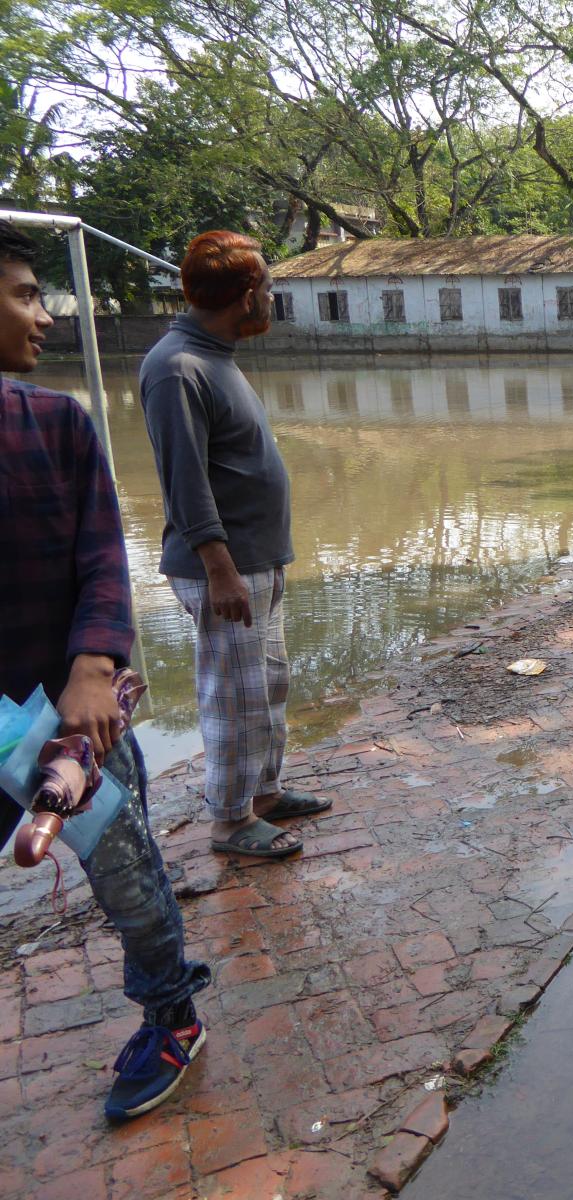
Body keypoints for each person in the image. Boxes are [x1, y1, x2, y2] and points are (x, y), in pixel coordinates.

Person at [0, 221, 211, 1120]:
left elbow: (101, 552)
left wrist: (95, 665)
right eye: (20, 295)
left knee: (128, 876)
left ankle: (172, 1016)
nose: (42, 315)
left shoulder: (53, 423)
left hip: (69, 717)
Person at [140, 231, 330, 861]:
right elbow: (184, 485)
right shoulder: (176, 368)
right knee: (231, 696)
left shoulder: (214, 355)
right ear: (247, 293)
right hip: (224, 570)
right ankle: (228, 822)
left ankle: (265, 794)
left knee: (267, 685)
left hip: (257, 560)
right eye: (271, 288)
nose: (274, 300)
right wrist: (219, 570)